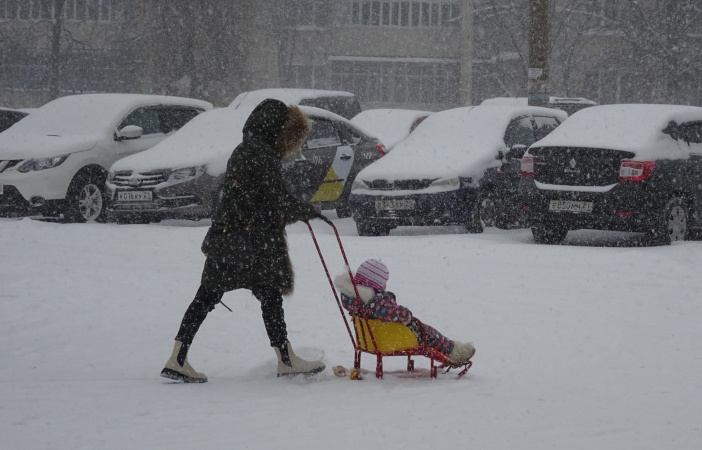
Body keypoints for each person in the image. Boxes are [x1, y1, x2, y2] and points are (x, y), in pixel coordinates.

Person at [161, 99, 328, 383]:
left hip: (231, 238)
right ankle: (285, 360)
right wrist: (307, 210)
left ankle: (178, 356)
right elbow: (276, 199)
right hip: (251, 242)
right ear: (277, 129)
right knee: (265, 297)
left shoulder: (245, 149)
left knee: (213, 296)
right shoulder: (261, 154)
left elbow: (256, 197)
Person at [333, 259, 475, 364]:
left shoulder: (353, 298)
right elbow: (390, 312)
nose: (385, 285)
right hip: (390, 337)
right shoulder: (376, 302)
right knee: (427, 332)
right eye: (383, 282)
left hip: (374, 337)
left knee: (424, 331)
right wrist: (405, 314)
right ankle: (453, 351)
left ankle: (451, 350)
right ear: (375, 284)